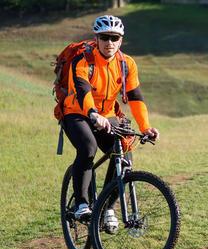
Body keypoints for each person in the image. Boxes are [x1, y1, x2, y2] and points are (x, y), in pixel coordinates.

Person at [63, 15, 159, 224]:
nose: (109, 43)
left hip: (106, 115)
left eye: (114, 38)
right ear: (96, 38)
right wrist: (92, 114)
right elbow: (82, 90)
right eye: (105, 37)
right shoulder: (83, 61)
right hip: (76, 113)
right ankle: (81, 204)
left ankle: (107, 209)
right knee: (88, 148)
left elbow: (135, 97)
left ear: (121, 40)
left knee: (124, 155)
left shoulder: (126, 64)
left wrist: (146, 127)